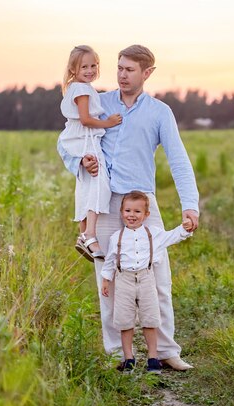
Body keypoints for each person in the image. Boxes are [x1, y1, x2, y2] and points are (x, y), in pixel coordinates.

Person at [58, 44, 199, 370]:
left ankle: (166, 350)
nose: (121, 74)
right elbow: (66, 139)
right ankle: (117, 355)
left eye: (130, 69)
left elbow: (178, 160)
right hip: (105, 205)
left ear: (147, 73)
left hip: (143, 204)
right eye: (119, 68)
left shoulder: (160, 112)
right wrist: (81, 161)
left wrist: (189, 206)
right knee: (107, 281)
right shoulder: (98, 102)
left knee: (159, 279)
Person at [101, 191, 193, 373]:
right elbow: (111, 260)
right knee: (125, 321)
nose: (131, 215)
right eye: (128, 210)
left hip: (146, 278)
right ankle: (128, 358)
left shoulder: (153, 234)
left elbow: (172, 236)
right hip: (124, 280)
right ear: (121, 212)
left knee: (150, 319)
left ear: (146, 215)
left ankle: (153, 358)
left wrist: (185, 228)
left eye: (137, 211)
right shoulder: (116, 237)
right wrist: (106, 280)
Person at [57, 45, 123, 261]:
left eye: (93, 65)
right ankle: (90, 235)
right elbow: (85, 119)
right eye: (84, 66)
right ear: (73, 69)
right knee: (99, 185)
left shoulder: (77, 88)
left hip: (80, 138)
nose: (90, 70)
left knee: (87, 185)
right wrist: (108, 123)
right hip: (87, 139)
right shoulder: (83, 89)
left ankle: (83, 234)